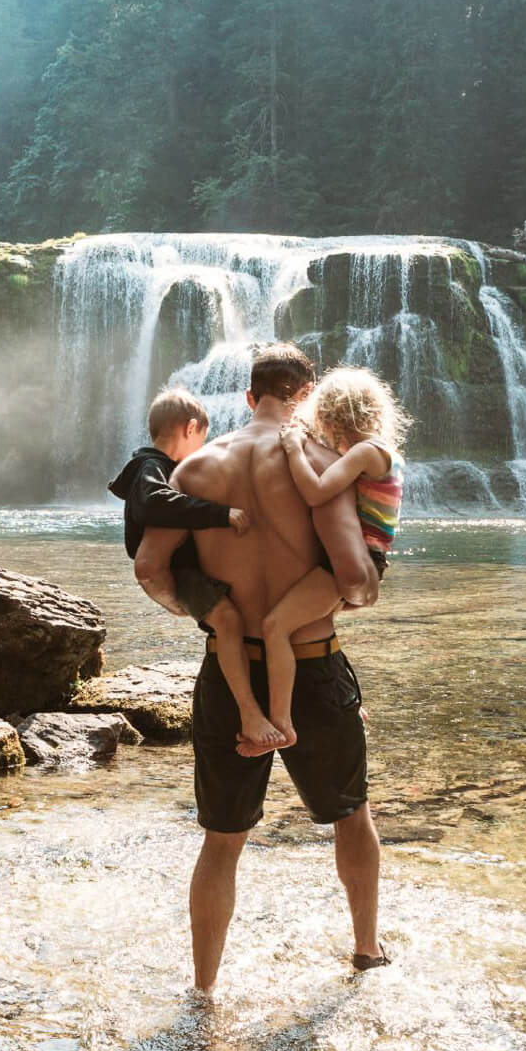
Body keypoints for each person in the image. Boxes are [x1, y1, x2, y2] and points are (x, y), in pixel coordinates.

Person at [133, 343, 389, 993]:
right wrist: (349, 593)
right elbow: (355, 581)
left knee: (222, 840)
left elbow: (149, 570)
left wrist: (208, 611)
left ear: (248, 398)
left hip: (229, 673)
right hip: (314, 664)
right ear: (307, 398)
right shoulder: (325, 464)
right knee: (351, 815)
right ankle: (366, 949)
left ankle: (204, 990)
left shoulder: (195, 472)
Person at [108, 388, 283, 751]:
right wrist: (220, 513)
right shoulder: (150, 468)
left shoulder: (154, 466)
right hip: (183, 572)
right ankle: (249, 712)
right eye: (203, 437)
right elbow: (154, 504)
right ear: (190, 429)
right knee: (229, 622)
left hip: (188, 569)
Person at [259, 367, 406, 750]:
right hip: (367, 561)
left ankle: (281, 725)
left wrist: (293, 447)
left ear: (333, 414)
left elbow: (317, 490)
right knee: (317, 628)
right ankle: (347, 706)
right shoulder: (383, 452)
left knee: (275, 627)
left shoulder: (365, 452)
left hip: (355, 561)